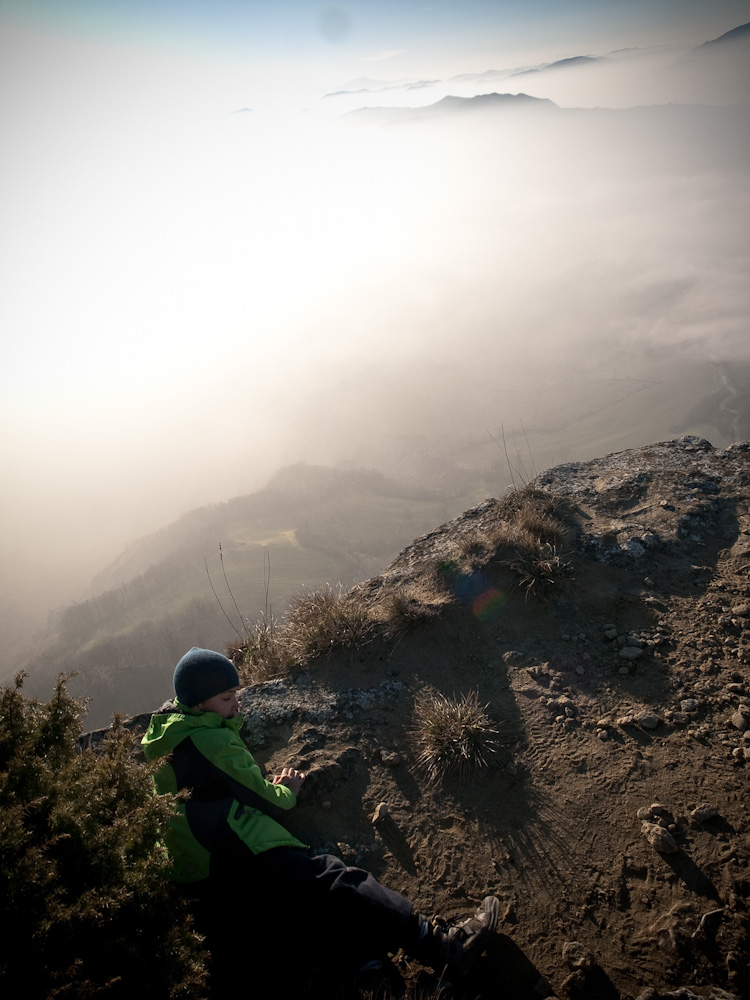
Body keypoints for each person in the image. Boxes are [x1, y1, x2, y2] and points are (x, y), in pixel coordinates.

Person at [142, 647, 499, 993]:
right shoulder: (211, 740)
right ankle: (442, 946)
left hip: (194, 867)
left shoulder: (165, 738)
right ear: (198, 704)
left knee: (298, 910)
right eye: (226, 698)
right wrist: (287, 790)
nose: (237, 703)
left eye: (236, 693)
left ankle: (371, 972)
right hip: (230, 845)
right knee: (333, 879)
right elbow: (264, 800)